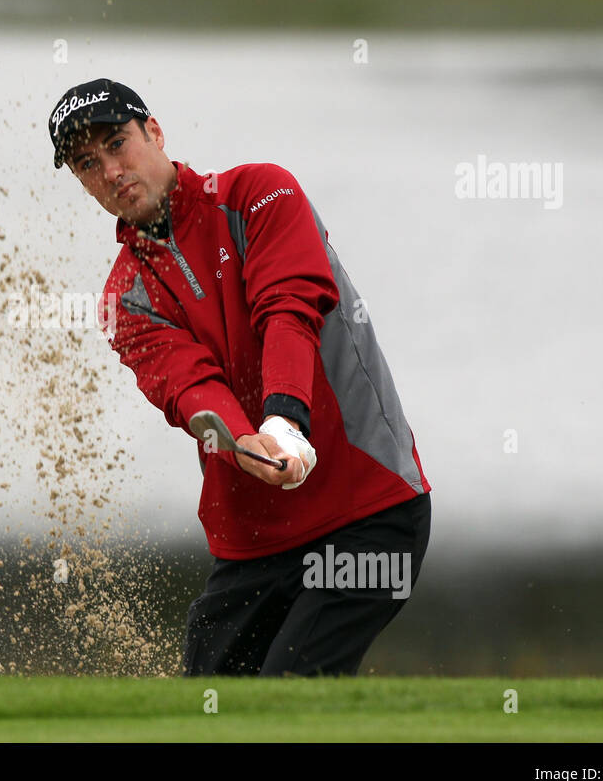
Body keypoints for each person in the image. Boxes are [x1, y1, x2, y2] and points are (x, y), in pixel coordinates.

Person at [48, 77, 432, 677]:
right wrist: (239, 439)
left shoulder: (260, 195)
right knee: (209, 710)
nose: (110, 171)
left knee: (288, 692)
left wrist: (283, 421)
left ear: (154, 133)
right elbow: (188, 387)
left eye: (118, 143)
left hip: (368, 510)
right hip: (257, 540)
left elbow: (288, 311)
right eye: (86, 163)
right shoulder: (125, 297)